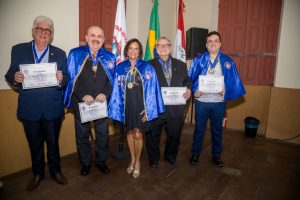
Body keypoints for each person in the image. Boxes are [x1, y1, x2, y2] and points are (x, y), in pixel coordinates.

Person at [5, 15, 69, 191]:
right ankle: (37, 173)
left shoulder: (60, 53)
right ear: (33, 31)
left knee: (53, 143)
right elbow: (9, 74)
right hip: (30, 108)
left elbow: (67, 78)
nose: (44, 33)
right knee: (35, 144)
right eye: (40, 29)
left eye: (48, 30)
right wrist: (16, 78)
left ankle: (56, 171)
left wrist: (62, 78)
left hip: (52, 108)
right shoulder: (19, 50)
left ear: (52, 35)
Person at [63, 26, 115, 176]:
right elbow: (72, 79)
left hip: (101, 103)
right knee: (82, 135)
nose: (96, 38)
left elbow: (112, 80)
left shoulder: (109, 57)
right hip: (82, 103)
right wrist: (82, 95)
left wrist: (105, 93)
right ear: (86, 37)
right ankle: (85, 162)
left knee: (102, 135)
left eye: (100, 36)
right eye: (92, 35)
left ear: (104, 40)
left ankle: (101, 161)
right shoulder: (75, 54)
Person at [109, 38, 165, 178]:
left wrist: (149, 110)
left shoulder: (147, 67)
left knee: (138, 134)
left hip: (142, 107)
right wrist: (117, 109)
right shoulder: (120, 67)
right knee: (129, 133)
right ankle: (132, 158)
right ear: (126, 51)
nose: (133, 51)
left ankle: (138, 161)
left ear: (140, 51)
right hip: (126, 106)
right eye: (130, 48)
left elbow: (153, 90)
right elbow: (116, 90)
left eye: (136, 48)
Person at [188, 31, 245, 167]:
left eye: (216, 41)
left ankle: (216, 155)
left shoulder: (227, 61)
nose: (213, 43)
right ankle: (195, 153)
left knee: (217, 130)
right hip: (202, 102)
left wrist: (224, 91)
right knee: (199, 130)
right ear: (206, 45)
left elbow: (233, 82)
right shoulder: (199, 60)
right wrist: (195, 91)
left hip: (219, 103)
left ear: (220, 44)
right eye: (210, 41)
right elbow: (190, 79)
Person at [145, 37, 192, 167]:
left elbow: (187, 80)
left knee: (174, 135)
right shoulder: (148, 65)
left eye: (166, 45)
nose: (163, 48)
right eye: (159, 45)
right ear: (156, 49)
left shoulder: (181, 65)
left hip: (176, 107)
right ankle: (153, 159)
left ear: (170, 48)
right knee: (152, 135)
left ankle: (170, 156)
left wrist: (188, 89)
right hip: (156, 108)